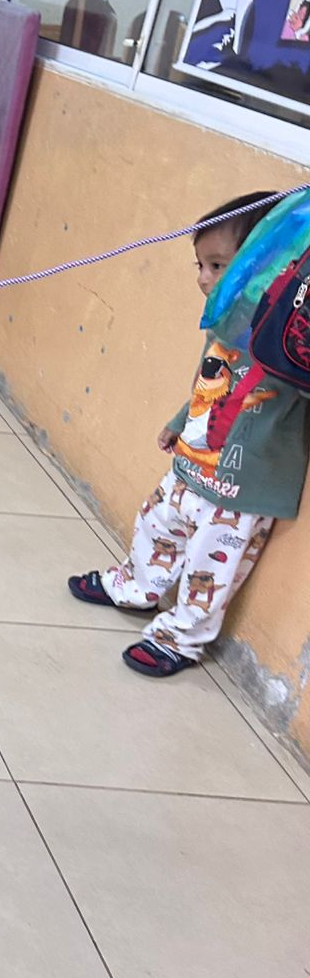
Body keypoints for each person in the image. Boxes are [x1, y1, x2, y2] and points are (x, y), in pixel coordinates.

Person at [68, 192, 310, 676]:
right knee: (155, 525)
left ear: (265, 263)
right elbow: (209, 383)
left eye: (217, 265)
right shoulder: (226, 326)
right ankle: (136, 587)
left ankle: (179, 639)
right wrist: (180, 422)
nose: (203, 278)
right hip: (190, 466)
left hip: (240, 491)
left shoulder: (289, 341)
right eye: (200, 266)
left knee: (209, 570)